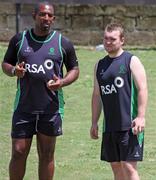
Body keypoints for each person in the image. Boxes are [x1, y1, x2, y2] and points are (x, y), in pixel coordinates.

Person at [1, 1, 79, 180]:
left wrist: (62, 82)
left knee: (46, 154)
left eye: (50, 15)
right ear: (34, 16)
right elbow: (6, 64)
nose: (46, 18)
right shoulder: (20, 40)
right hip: (24, 107)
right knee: (18, 152)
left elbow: (75, 69)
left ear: (54, 18)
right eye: (43, 14)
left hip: (50, 109)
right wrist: (14, 71)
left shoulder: (63, 43)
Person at [90, 23, 148, 180]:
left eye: (113, 39)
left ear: (122, 40)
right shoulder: (99, 65)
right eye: (106, 38)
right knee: (116, 168)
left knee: (129, 168)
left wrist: (141, 116)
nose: (108, 42)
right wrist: (94, 122)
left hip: (129, 125)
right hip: (109, 126)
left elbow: (143, 88)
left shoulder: (131, 60)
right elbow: (97, 95)